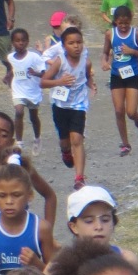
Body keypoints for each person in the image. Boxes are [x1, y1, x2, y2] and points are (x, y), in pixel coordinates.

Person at [41, 25, 94, 189]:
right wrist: (59, 81)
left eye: (79, 42)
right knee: (65, 141)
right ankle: (65, 152)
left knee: (77, 139)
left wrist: (92, 85)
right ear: (64, 46)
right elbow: (43, 82)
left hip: (78, 105)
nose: (76, 46)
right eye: (71, 43)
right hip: (60, 105)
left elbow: (86, 76)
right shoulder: (60, 62)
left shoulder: (86, 62)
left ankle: (79, 178)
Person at [104, 5, 138, 154]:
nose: (123, 26)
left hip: (132, 76)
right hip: (116, 76)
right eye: (120, 23)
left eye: (126, 23)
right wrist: (104, 62)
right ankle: (125, 144)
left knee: (131, 112)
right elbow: (105, 52)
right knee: (119, 111)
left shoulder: (136, 34)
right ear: (115, 21)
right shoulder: (110, 34)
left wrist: (132, 51)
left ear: (130, 21)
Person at [10, 28, 47, 149]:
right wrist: (7, 77)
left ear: (27, 42)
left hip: (32, 92)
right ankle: (19, 142)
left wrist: (34, 73)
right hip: (18, 91)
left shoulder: (34, 57)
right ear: (12, 42)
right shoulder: (10, 57)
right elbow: (12, 70)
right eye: (17, 41)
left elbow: (44, 73)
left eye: (23, 40)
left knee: (33, 117)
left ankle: (37, 137)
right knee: (19, 112)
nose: (20, 43)